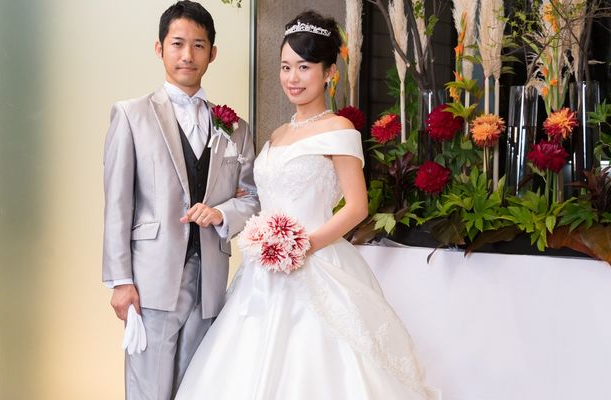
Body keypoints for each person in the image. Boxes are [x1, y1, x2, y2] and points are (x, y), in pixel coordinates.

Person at [175, 10, 439, 400]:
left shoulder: (339, 129)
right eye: (285, 67)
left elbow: (357, 207)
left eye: (304, 67)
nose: (292, 78)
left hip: (317, 261)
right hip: (262, 271)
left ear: (329, 72)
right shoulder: (277, 134)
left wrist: (302, 246)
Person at [102, 1, 259, 399]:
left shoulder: (236, 128)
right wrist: (121, 281)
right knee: (149, 387)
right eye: (177, 43)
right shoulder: (131, 115)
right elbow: (117, 204)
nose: (188, 54)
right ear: (160, 48)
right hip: (151, 280)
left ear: (212, 53)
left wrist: (221, 212)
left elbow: (252, 198)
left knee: (198, 386)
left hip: (210, 280)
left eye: (198, 45)